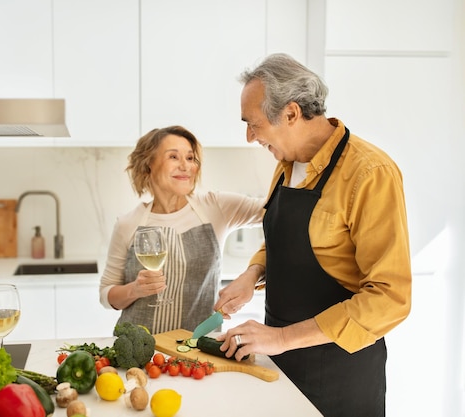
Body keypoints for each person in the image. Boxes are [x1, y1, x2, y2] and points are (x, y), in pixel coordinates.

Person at [214, 53, 412, 417]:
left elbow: (390, 298)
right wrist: (252, 273)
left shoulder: (370, 174)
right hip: (282, 365)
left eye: (253, 124)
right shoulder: (286, 165)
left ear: (291, 114)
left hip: (341, 377)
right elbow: (288, 239)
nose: (249, 137)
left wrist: (281, 338)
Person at [99, 125, 265, 335]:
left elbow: (275, 211)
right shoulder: (128, 223)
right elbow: (106, 294)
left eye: (190, 158)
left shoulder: (215, 207)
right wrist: (135, 290)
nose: (185, 166)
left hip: (196, 353)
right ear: (148, 164)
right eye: (174, 157)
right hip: (137, 351)